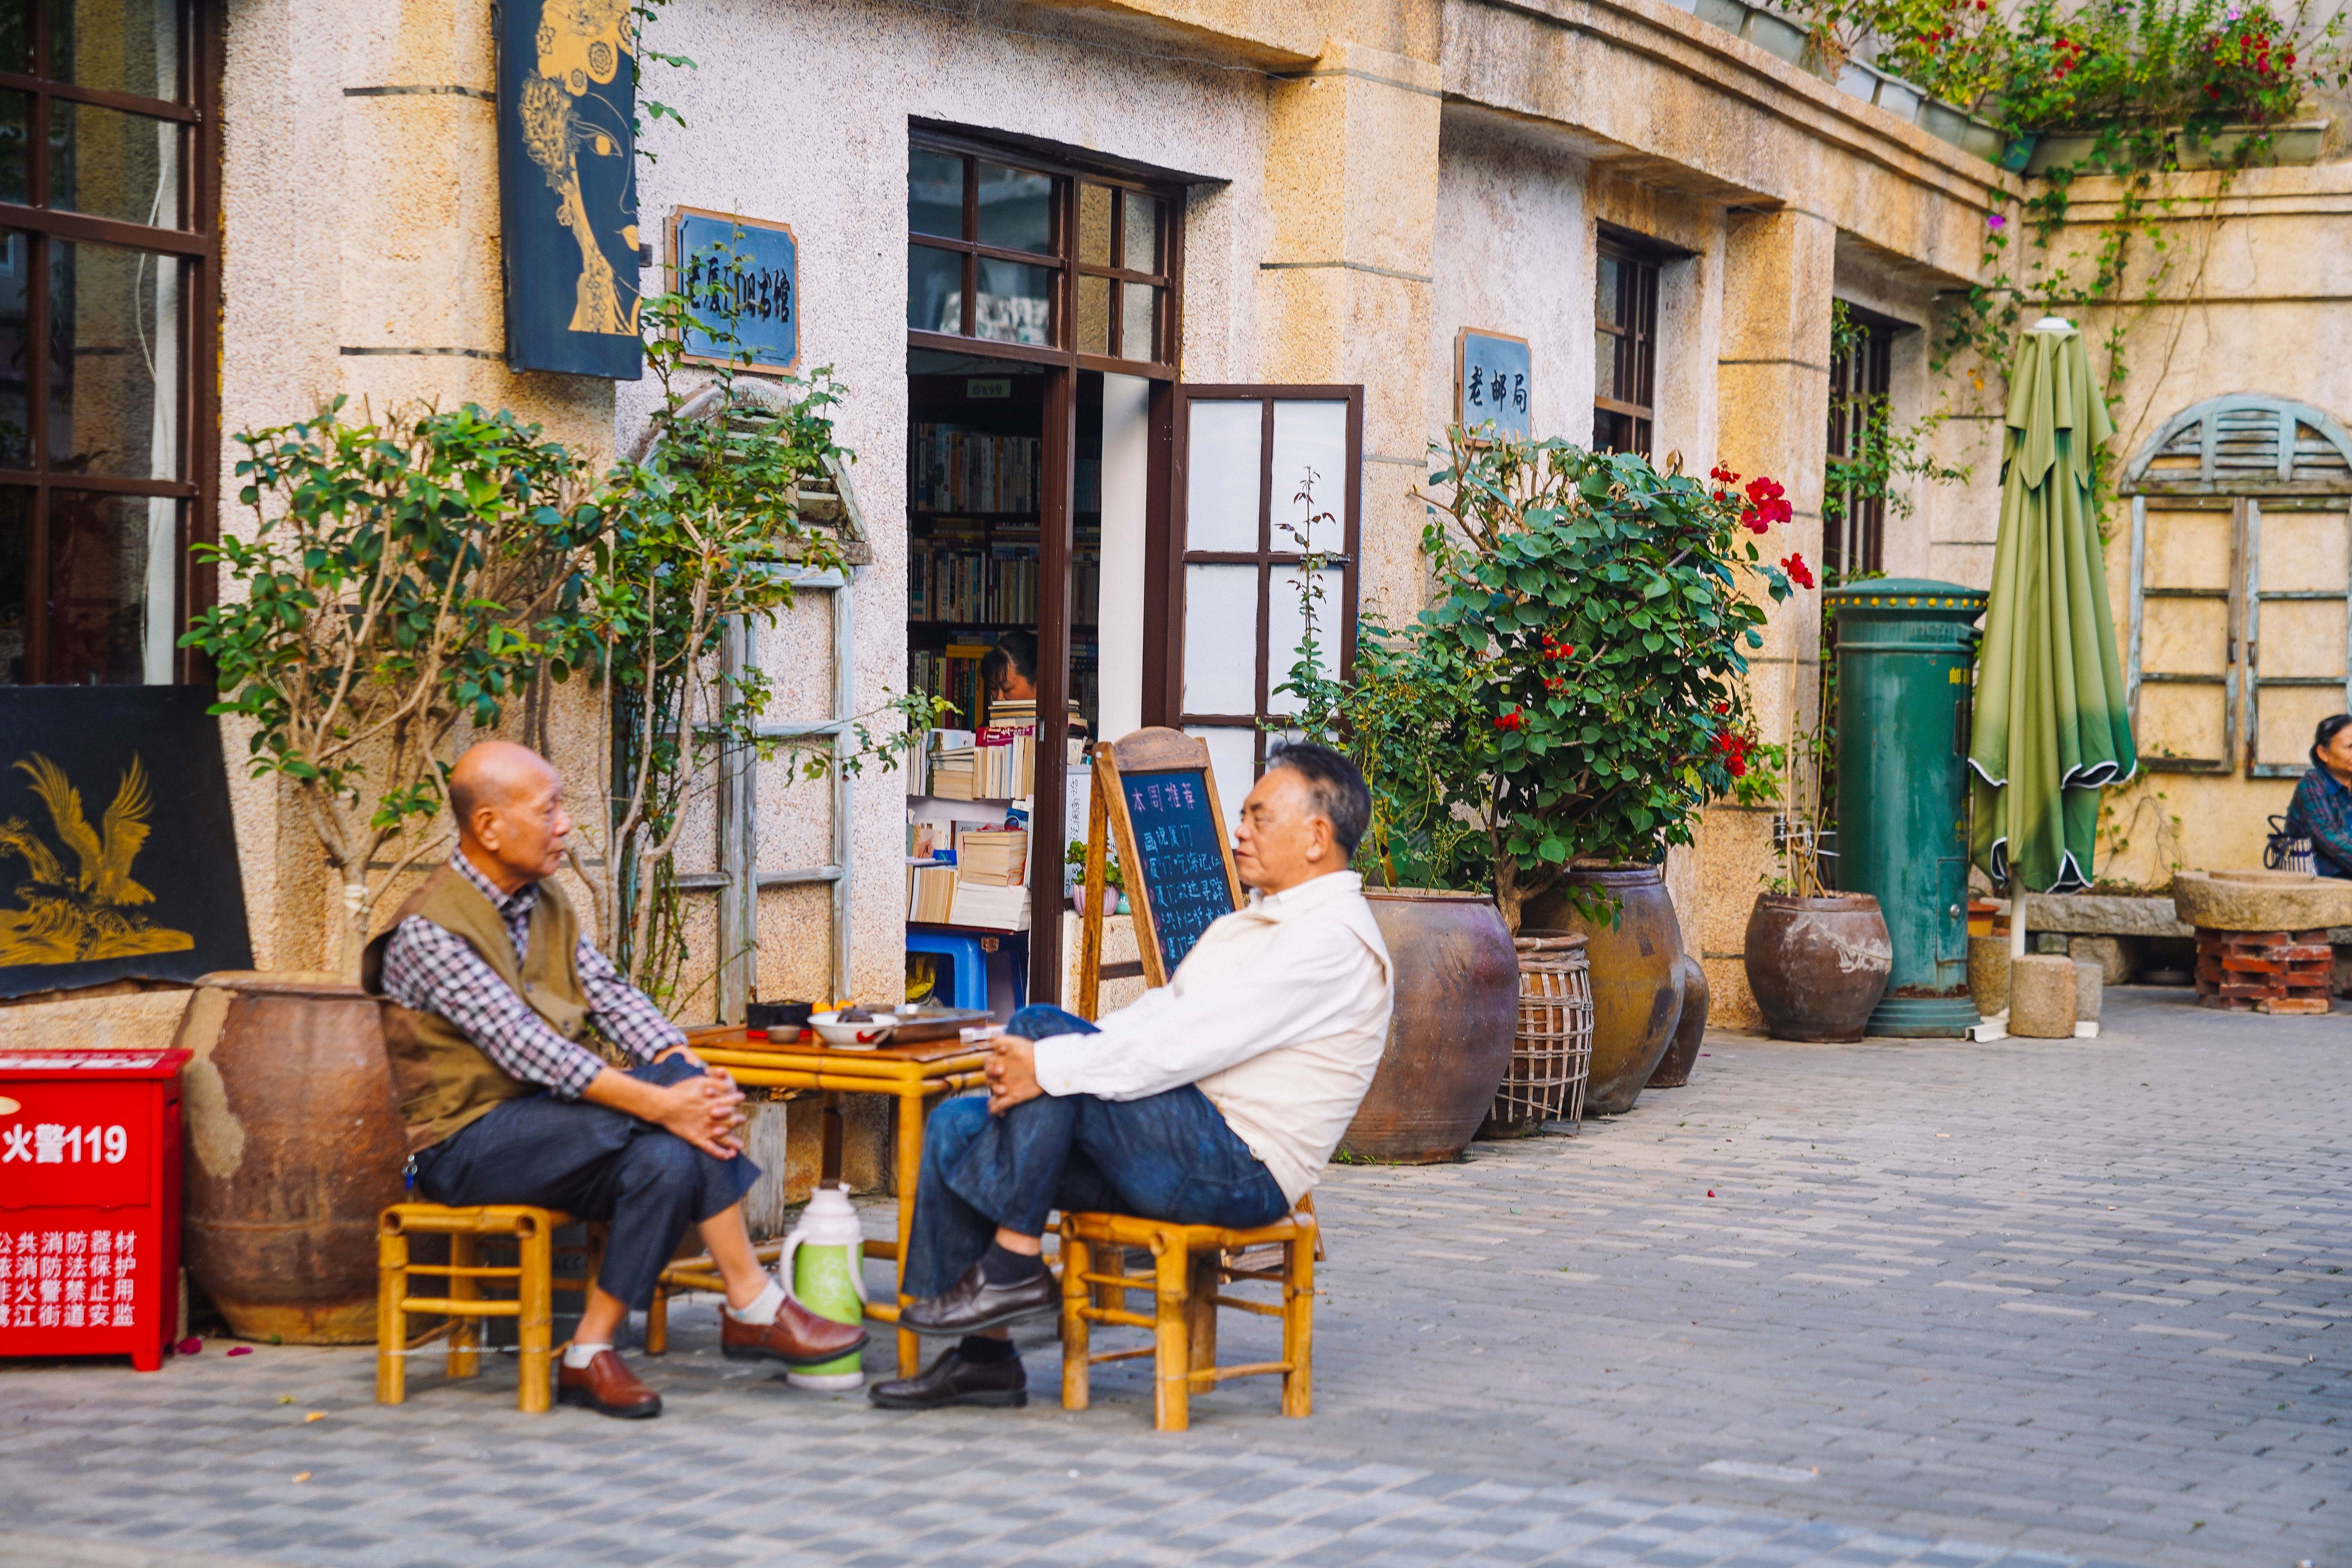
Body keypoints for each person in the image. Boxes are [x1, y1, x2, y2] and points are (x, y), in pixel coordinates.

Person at [868, 740, 1393, 1411]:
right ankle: (985, 1358)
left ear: (1317, 836)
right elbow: (1163, 1015)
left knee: (1042, 1035)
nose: (1239, 831)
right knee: (958, 1123)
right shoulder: (1259, 921)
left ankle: (1012, 1262)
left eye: (1259, 817)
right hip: (1177, 1141)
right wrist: (1036, 1062)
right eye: (1242, 815)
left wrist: (1045, 1058)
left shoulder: (1331, 941)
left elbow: (1189, 1044)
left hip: (1240, 1168)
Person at [363, 741, 866, 1419]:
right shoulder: (429, 931)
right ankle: (751, 1298)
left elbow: (613, 995)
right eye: (550, 809)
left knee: (666, 1153)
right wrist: (667, 1099)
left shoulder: (545, 902)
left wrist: (684, 1071)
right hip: (466, 1144)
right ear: (488, 826)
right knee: (669, 1115)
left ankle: (588, 1350)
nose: (566, 823)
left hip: (557, 1128)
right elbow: (529, 1049)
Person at [2285, 713, 2352, 878]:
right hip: (2321, 882)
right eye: (2350, 747)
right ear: (2323, 753)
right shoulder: (2312, 785)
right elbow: (2328, 838)